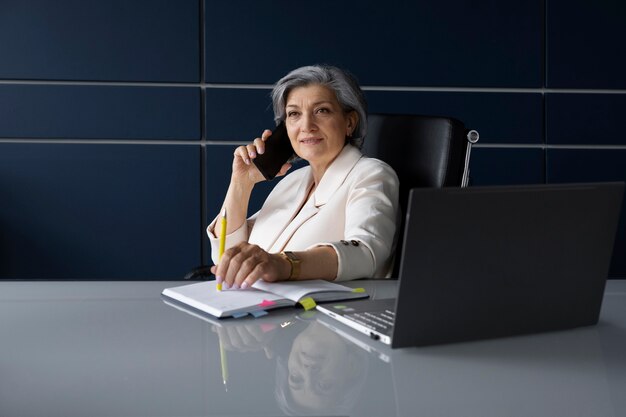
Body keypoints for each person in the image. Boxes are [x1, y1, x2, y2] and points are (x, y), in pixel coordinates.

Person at [208, 64, 399, 289]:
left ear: (349, 122)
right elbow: (225, 257)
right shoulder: (293, 181)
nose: (306, 126)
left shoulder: (371, 174)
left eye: (322, 111)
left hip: (320, 316)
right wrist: (241, 183)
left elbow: (366, 252)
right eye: (294, 114)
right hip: (258, 312)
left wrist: (282, 264)